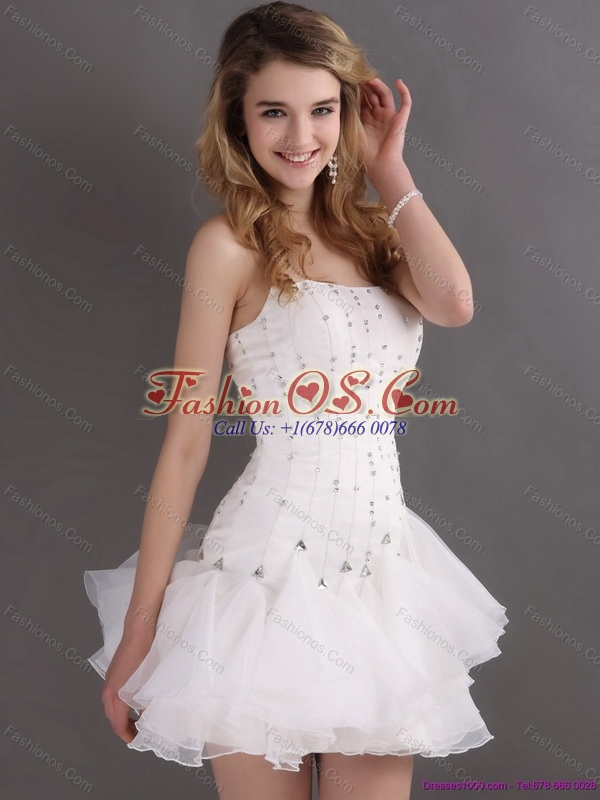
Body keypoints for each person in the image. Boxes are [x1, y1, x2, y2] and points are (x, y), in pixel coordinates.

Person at [83, 3, 508, 799]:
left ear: (346, 114)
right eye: (274, 111)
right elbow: (186, 444)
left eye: (322, 109)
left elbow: (455, 304)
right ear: (238, 120)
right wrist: (140, 634)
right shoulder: (227, 248)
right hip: (263, 577)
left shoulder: (378, 240)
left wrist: (390, 170)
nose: (301, 136)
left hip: (380, 579)